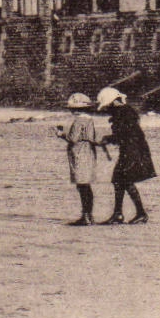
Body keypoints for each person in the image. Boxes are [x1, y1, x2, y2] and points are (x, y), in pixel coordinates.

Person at [98, 87, 155, 224]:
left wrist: (109, 138)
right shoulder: (126, 111)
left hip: (133, 150)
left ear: (113, 102)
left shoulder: (123, 113)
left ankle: (139, 213)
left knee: (124, 179)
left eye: (108, 106)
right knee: (119, 180)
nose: (107, 109)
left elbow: (124, 134)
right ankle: (120, 214)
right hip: (132, 149)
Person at [56, 93, 110, 225]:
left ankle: (85, 216)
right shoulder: (89, 120)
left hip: (79, 153)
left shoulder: (78, 121)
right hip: (89, 152)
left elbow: (73, 139)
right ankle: (88, 215)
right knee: (86, 185)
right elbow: (92, 138)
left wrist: (61, 134)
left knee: (82, 185)